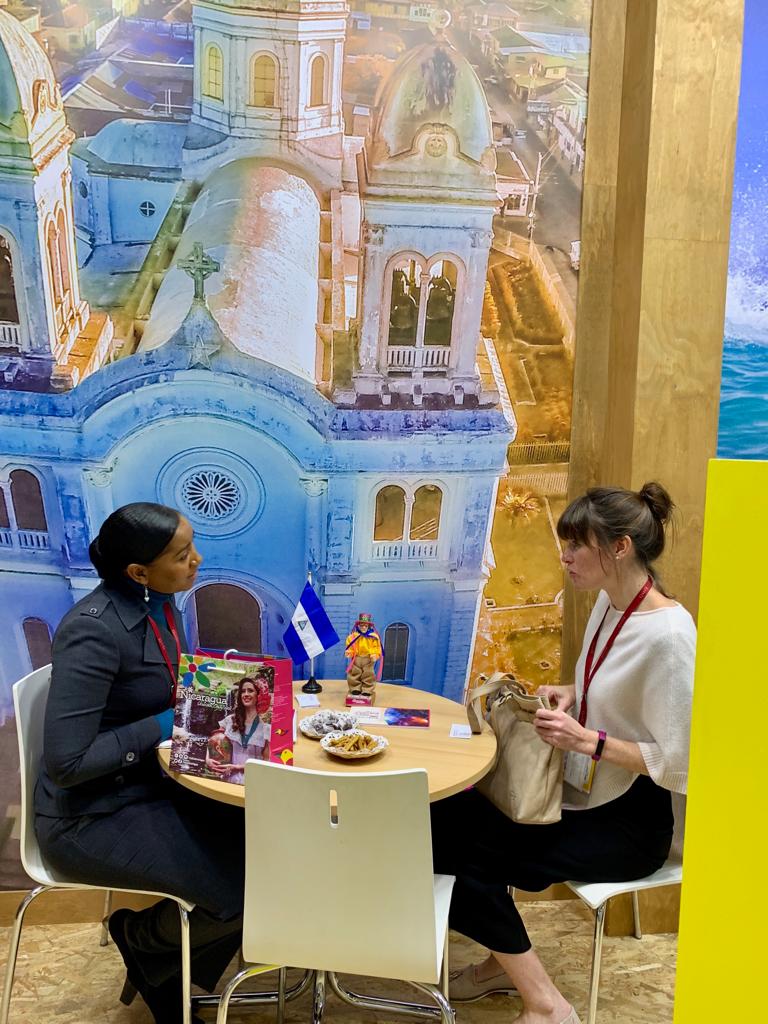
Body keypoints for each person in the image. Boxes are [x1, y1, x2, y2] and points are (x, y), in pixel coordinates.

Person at [431, 482, 695, 1024]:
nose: (565, 556)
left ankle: (547, 1005)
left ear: (619, 547)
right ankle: (503, 965)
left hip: (628, 825)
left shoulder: (670, 636)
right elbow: (618, 688)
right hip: (581, 794)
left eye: (577, 544)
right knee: (439, 820)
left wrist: (586, 740)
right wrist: (575, 693)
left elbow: (680, 762)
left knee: (457, 862)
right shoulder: (610, 602)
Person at [34, 503, 246, 1024]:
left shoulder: (162, 604)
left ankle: (162, 963)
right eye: (182, 554)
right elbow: (68, 762)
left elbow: (171, 684)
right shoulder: (92, 631)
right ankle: (141, 938)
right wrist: (167, 721)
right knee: (247, 891)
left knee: (274, 849)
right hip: (89, 814)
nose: (197, 560)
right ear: (138, 572)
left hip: (154, 784)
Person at [206, 674, 271, 783]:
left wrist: (237, 767)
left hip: (252, 783)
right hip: (228, 781)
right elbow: (213, 742)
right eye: (243, 691)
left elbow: (266, 762)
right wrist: (208, 759)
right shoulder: (229, 721)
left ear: (259, 695)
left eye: (250, 691)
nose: (246, 694)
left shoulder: (266, 729)